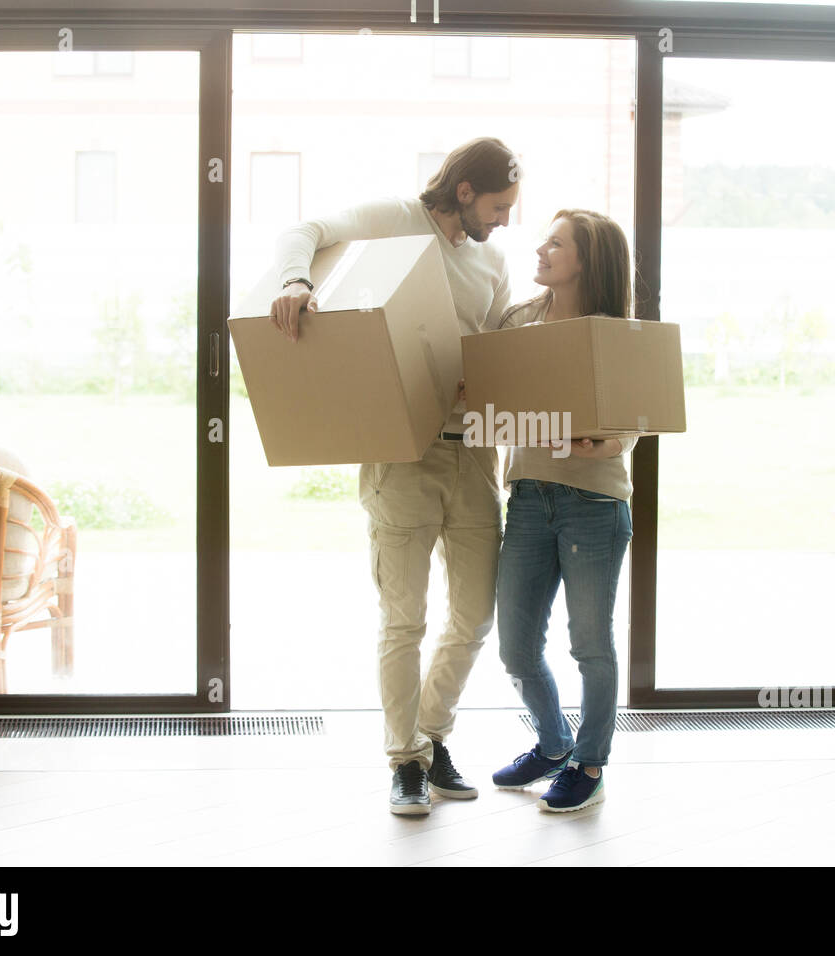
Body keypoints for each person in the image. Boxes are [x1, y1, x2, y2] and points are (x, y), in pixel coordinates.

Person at [270, 137, 519, 816]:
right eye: (496, 207)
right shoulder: (394, 219)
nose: (502, 221)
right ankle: (405, 760)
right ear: (464, 191)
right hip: (398, 454)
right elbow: (307, 231)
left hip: (471, 457)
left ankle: (431, 735)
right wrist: (298, 280)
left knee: (473, 614)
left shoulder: (494, 263)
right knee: (404, 617)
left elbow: (492, 354)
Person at [485, 208, 637, 812]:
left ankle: (590, 763)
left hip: (593, 503)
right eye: (544, 240)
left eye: (556, 243)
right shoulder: (519, 321)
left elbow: (633, 421)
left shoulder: (617, 333)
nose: (541, 250)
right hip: (527, 498)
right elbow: (495, 398)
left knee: (590, 646)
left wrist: (598, 441)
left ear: (585, 260)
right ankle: (553, 744)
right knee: (516, 647)